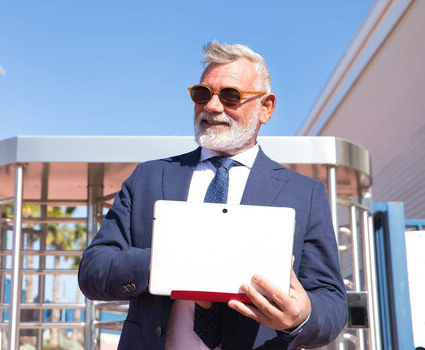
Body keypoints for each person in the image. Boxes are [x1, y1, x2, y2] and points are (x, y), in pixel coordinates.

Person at [78, 41, 347, 349]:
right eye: (202, 94)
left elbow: (332, 304)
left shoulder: (304, 194)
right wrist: (165, 263)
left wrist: (301, 315)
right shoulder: (148, 178)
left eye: (230, 96)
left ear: (266, 107)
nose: (212, 107)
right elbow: (93, 271)